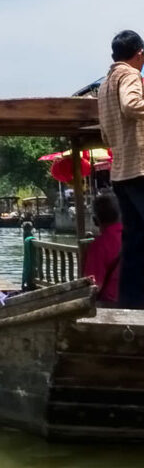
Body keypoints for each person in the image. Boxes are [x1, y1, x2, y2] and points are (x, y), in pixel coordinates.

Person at [98, 30, 144, 308]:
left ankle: (131, 302)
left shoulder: (105, 85)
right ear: (139, 53)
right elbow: (132, 105)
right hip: (140, 168)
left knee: (134, 242)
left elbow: (105, 136)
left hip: (120, 173)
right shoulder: (129, 75)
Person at [84, 194, 122, 307]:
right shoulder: (136, 238)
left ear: (95, 220)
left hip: (112, 307)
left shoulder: (99, 246)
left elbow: (93, 286)